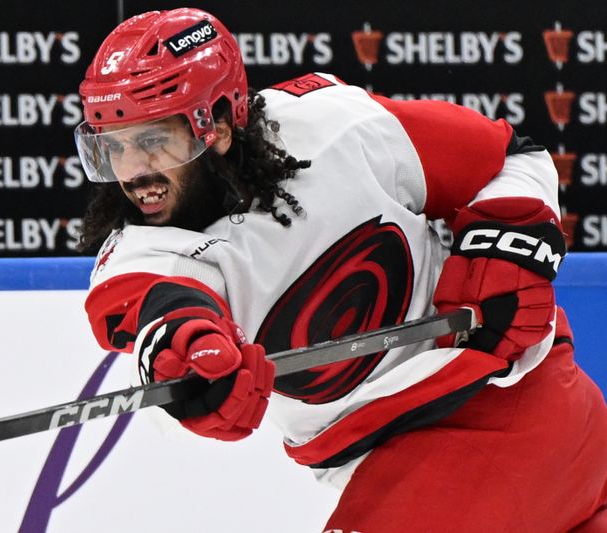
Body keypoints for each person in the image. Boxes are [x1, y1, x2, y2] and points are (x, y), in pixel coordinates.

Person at [74, 8, 607, 532]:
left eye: (151, 141)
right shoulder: (139, 253)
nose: (132, 173)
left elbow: (511, 158)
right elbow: (160, 313)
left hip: (509, 404)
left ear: (214, 126)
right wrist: (190, 359)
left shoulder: (331, 125)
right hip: (400, 467)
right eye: (112, 148)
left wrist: (507, 252)